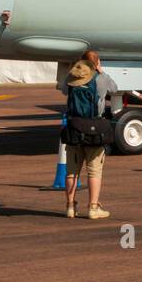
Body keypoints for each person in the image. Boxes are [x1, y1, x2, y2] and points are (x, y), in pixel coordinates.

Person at [62, 60, 109, 219]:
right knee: (94, 171)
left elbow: (63, 91)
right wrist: (101, 72)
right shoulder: (99, 80)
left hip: (74, 130)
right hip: (94, 131)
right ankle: (93, 208)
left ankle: (70, 206)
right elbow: (114, 88)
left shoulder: (70, 82)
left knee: (71, 173)